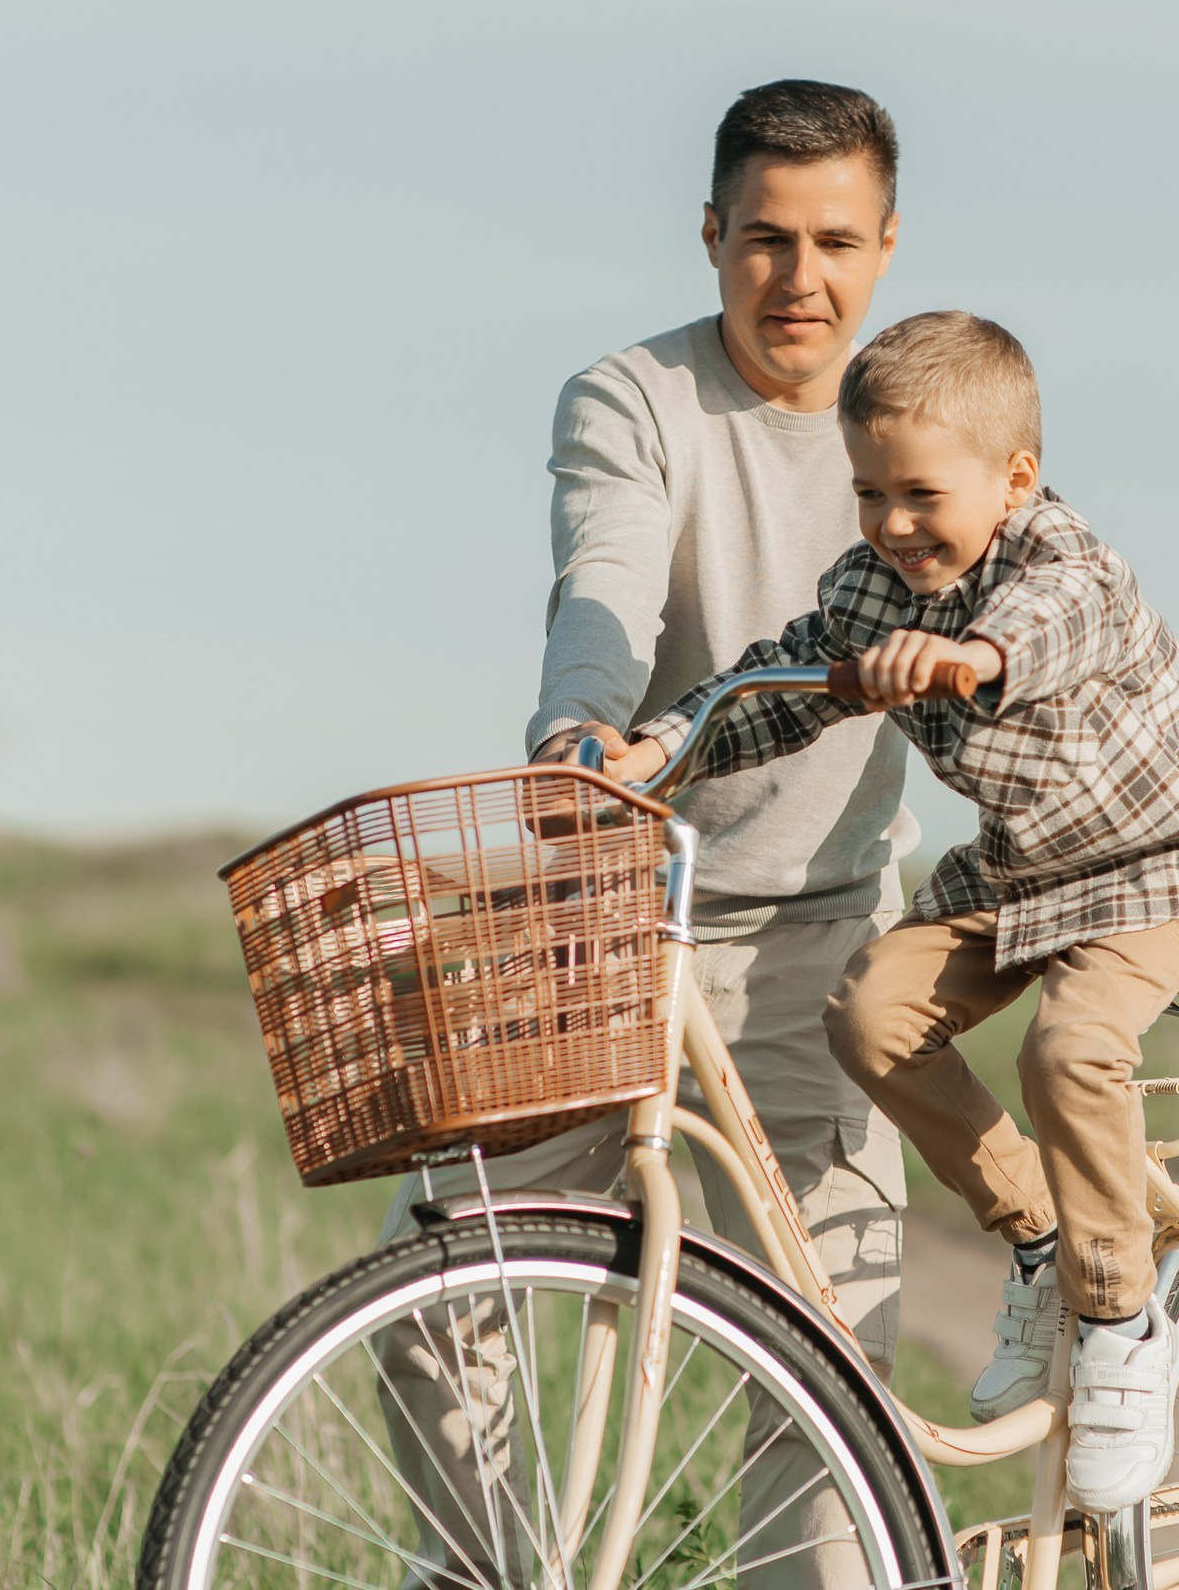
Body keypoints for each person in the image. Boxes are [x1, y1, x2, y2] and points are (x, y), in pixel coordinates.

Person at [373, 79, 917, 1590]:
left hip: (821, 947)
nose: (796, 280)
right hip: (618, 927)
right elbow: (603, 582)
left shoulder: (920, 425)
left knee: (825, 1402)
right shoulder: (636, 399)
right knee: (437, 1280)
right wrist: (575, 736)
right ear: (709, 235)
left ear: (885, 246)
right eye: (761, 239)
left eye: (832, 242)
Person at [608, 310, 1179, 1514]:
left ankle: (1121, 1320)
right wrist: (660, 745)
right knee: (870, 1017)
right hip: (1022, 867)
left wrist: (970, 658)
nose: (893, 525)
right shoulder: (870, 587)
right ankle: (1046, 1237)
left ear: (1014, 479)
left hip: (1154, 866)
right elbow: (780, 681)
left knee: (1070, 1054)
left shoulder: (1064, 566)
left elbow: (1050, 625)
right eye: (866, 493)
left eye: (919, 493)